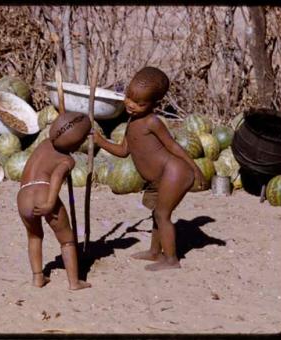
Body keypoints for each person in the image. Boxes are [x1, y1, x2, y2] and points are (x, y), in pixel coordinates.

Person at [93, 66, 204, 271]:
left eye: (140, 103)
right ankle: (155, 252)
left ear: (154, 104)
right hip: (158, 178)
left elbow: (172, 145)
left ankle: (171, 259)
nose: (131, 105)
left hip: (174, 172)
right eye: (129, 98)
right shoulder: (131, 121)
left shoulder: (152, 121)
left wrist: (194, 168)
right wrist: (100, 141)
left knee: (163, 215)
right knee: (157, 213)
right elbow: (123, 150)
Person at [17, 111, 92, 289]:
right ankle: (74, 282)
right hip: (44, 191)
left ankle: (37, 277)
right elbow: (57, 175)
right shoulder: (67, 159)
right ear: (78, 143)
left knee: (34, 236)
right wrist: (50, 202)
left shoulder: (43, 144)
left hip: (23, 195)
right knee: (66, 239)